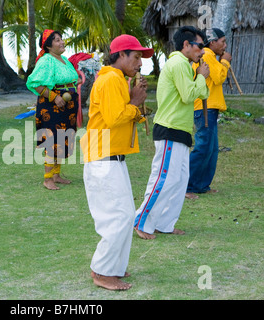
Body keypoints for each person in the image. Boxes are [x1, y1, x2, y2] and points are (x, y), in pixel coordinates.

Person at [80, 34, 153, 290]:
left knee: (122, 215)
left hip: (111, 157)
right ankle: (102, 271)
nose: (140, 64)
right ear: (120, 55)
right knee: (117, 217)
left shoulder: (118, 79)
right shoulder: (111, 78)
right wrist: (135, 103)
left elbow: (123, 116)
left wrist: (136, 102)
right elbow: (114, 118)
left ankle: (113, 268)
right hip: (103, 159)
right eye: (136, 57)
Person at [134, 26, 210, 240]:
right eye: (200, 46)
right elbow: (189, 95)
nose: (202, 52)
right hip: (170, 129)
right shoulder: (177, 63)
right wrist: (202, 77)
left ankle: (164, 223)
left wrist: (199, 78)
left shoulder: (184, 65)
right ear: (186, 45)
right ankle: (141, 221)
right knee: (163, 178)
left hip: (181, 130)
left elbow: (197, 92)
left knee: (179, 180)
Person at [26, 30, 81, 190]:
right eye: (57, 40)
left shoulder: (64, 60)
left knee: (63, 139)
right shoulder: (46, 61)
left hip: (68, 106)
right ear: (48, 45)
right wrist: (54, 96)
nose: (62, 42)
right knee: (53, 140)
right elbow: (35, 83)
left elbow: (69, 78)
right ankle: (47, 178)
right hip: (52, 106)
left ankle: (56, 174)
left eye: (61, 39)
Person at [186, 28, 232, 199]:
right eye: (223, 41)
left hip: (211, 108)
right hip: (204, 107)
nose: (225, 46)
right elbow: (220, 77)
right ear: (212, 42)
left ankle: (202, 185)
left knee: (211, 149)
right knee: (202, 147)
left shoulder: (211, 57)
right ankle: (187, 186)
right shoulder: (206, 55)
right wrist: (225, 62)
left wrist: (221, 61)